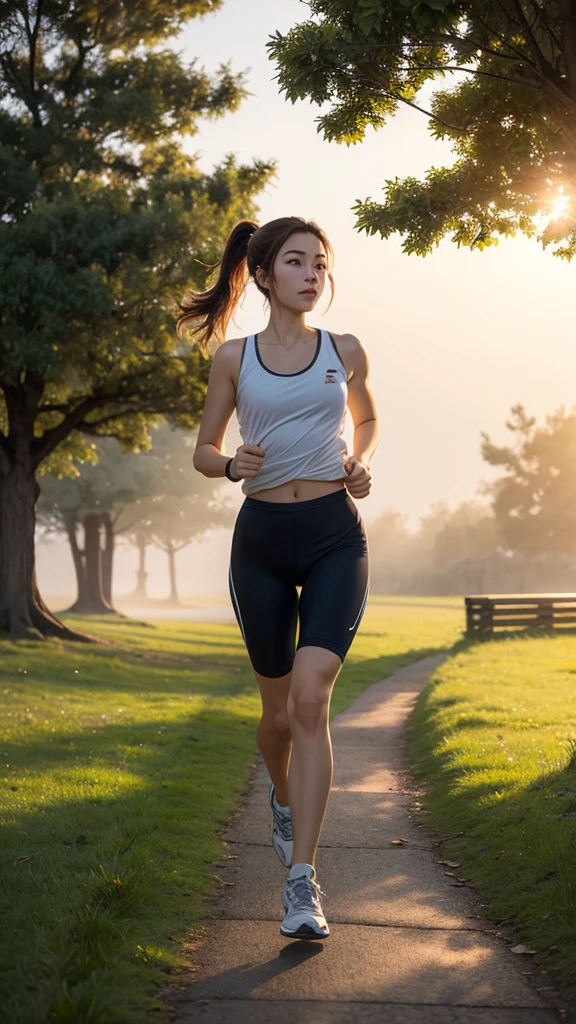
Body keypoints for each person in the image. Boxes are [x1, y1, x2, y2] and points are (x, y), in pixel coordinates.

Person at [178, 216, 379, 940]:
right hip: (260, 542)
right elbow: (203, 449)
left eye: (320, 264)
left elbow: (367, 422)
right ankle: (282, 797)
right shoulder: (234, 358)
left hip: (333, 537)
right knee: (277, 720)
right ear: (264, 275)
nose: (311, 274)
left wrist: (359, 465)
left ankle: (301, 880)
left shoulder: (344, 349)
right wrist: (231, 464)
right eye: (296, 262)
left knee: (311, 698)